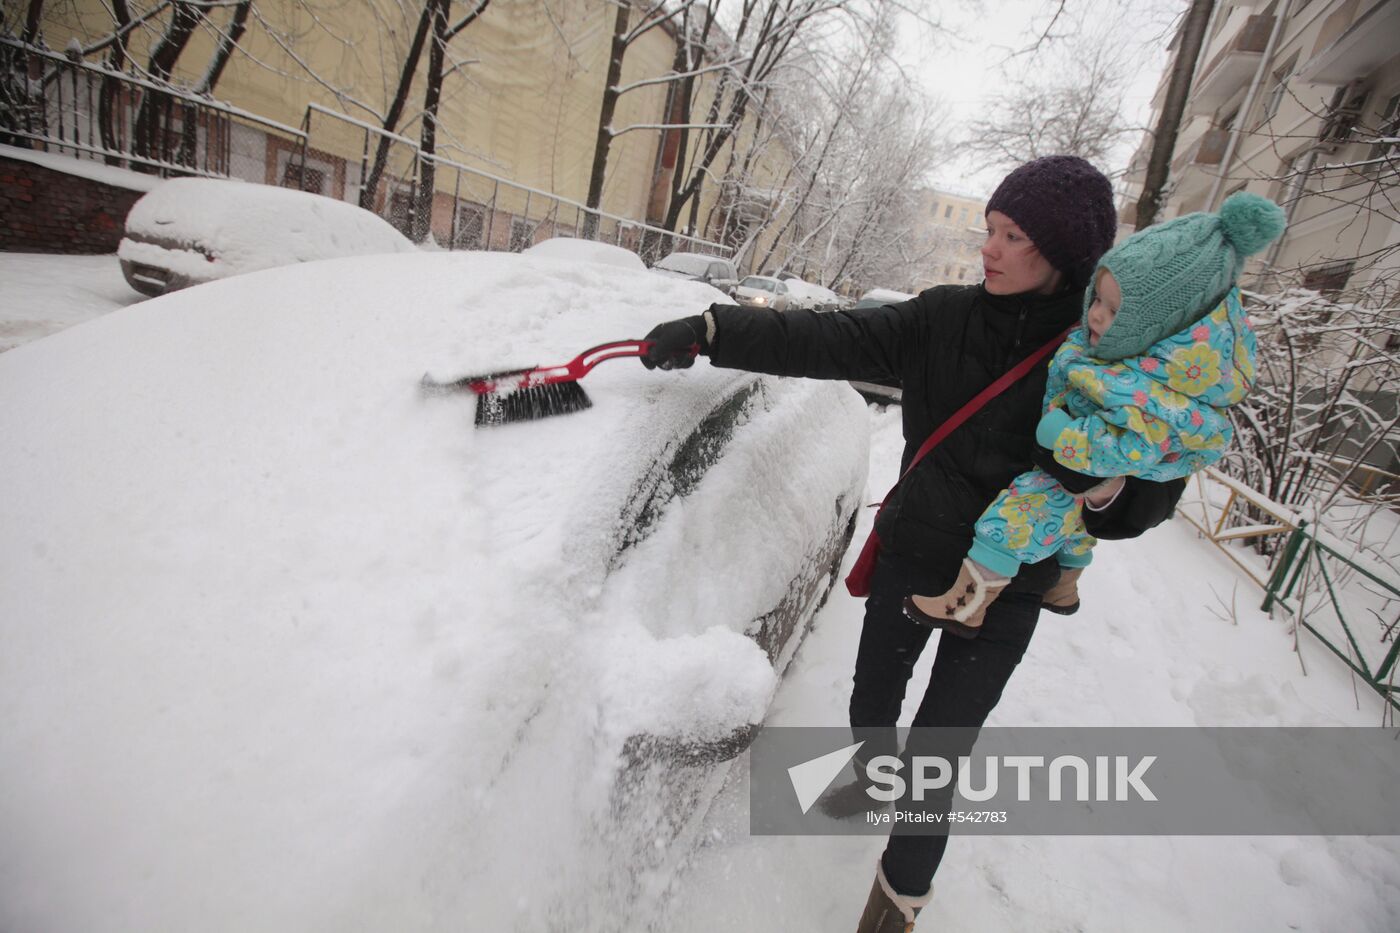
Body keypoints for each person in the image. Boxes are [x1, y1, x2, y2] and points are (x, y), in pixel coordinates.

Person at [640, 156, 1187, 933]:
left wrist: (1102, 487)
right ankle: (868, 777)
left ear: (1064, 253)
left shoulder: (1103, 358)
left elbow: (1158, 485)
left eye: (1013, 235)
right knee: (873, 702)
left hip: (1009, 590)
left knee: (937, 757)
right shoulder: (942, 317)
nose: (988, 248)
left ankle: (892, 913)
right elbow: (825, 338)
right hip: (914, 558)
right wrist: (710, 330)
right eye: (989, 228)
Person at [903, 192, 1287, 639]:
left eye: (1115, 310)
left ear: (1164, 325)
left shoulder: (1160, 394)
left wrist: (1063, 435)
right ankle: (1065, 586)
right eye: (1097, 301)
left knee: (1008, 522)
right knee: (1071, 527)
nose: (1098, 317)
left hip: (1075, 466)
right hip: (1077, 488)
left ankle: (966, 605)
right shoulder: (1138, 363)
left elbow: (1128, 448)